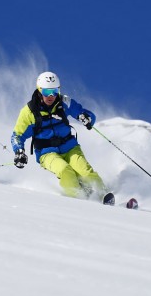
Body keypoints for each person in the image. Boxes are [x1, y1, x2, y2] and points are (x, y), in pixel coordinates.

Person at [11, 71, 115, 205]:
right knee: (65, 171)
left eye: (54, 91)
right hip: (46, 152)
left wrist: (87, 118)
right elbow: (17, 135)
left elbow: (85, 113)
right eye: (47, 91)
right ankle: (81, 199)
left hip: (70, 147)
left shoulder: (64, 102)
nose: (51, 96)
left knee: (85, 172)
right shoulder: (29, 112)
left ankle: (104, 196)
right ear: (39, 90)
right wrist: (19, 152)